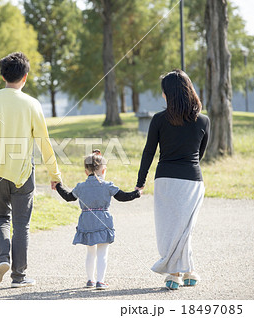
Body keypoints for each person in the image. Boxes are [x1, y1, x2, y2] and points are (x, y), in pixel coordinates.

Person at [0, 52, 62, 288]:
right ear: (26, 77)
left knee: (0, 217)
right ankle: (18, 276)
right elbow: (44, 142)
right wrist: (55, 175)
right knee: (21, 224)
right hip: (22, 173)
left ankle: (2, 259)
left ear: (2, 76)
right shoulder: (32, 104)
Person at [135, 69, 210, 290]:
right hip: (193, 180)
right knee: (184, 228)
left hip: (166, 180)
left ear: (168, 94)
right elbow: (201, 153)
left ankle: (175, 273)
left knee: (170, 228)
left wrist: (141, 181)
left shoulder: (159, 120)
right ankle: (188, 272)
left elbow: (148, 152)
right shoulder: (203, 121)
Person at [56, 150, 141, 289]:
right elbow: (122, 197)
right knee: (102, 252)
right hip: (103, 220)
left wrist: (58, 185)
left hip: (86, 220)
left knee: (90, 252)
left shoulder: (81, 186)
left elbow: (68, 197)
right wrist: (137, 193)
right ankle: (100, 281)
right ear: (104, 170)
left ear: (86, 171)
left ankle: (90, 280)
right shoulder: (108, 185)